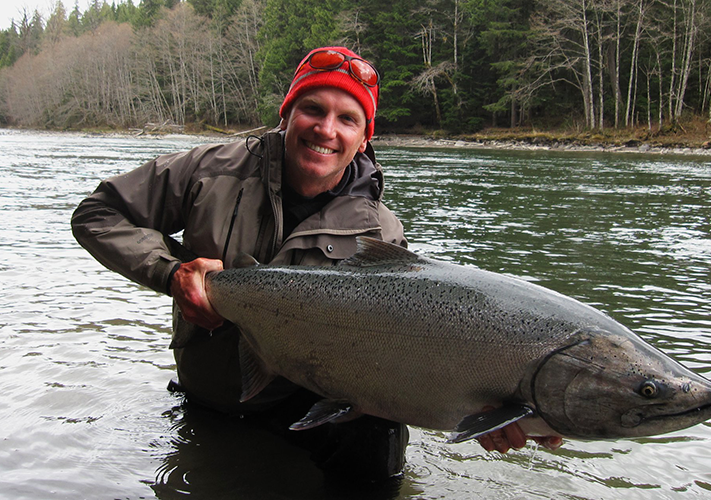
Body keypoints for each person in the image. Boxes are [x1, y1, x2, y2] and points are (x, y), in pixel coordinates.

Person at [71, 46, 559, 482]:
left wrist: (483, 411)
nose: (326, 129)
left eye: (348, 119)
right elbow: (98, 214)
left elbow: (407, 352)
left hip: (312, 401)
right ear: (287, 116)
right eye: (313, 109)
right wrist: (170, 272)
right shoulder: (208, 170)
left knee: (380, 447)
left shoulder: (381, 233)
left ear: (364, 139)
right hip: (210, 396)